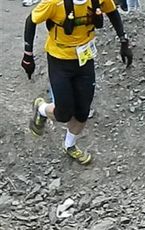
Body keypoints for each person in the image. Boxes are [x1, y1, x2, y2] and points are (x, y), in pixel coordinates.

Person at [21, 0, 133, 165]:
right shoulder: (54, 3)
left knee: (82, 111)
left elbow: (112, 12)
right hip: (59, 60)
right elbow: (31, 20)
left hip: (84, 60)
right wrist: (27, 55)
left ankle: (70, 145)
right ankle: (42, 109)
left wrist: (123, 40)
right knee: (63, 113)